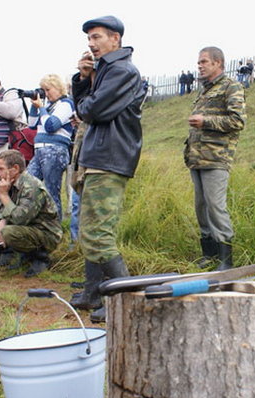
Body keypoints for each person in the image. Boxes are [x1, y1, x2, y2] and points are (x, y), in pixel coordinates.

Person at [71, 15, 145, 322]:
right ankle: (93, 291)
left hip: (110, 158)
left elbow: (92, 111)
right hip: (98, 157)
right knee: (90, 230)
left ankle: (122, 298)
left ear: (115, 39)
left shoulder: (123, 71)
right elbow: (85, 107)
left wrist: (88, 96)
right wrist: (83, 80)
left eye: (97, 37)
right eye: (89, 38)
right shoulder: (106, 71)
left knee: (99, 233)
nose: (91, 43)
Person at [185, 46, 246, 271]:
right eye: (198, 62)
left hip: (217, 158)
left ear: (218, 63)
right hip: (197, 158)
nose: (199, 66)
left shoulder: (232, 86)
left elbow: (237, 121)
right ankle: (208, 256)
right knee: (201, 207)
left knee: (215, 206)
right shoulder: (203, 91)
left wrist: (206, 121)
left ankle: (225, 261)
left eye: (204, 62)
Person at [0, 150, 62, 277]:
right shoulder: (11, 183)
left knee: (8, 232)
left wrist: (3, 195)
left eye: (1, 169)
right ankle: (20, 255)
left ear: (15, 168)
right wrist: (0, 226)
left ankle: (40, 258)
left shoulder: (31, 186)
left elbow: (20, 219)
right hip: (28, 228)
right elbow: (5, 209)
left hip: (45, 233)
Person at [27, 74, 75, 219]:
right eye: (43, 90)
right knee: (28, 184)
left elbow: (50, 125)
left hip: (55, 150)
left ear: (58, 87)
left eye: (48, 90)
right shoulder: (47, 106)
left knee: (51, 191)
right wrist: (34, 106)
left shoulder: (66, 104)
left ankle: (55, 227)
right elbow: (31, 124)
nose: (45, 94)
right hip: (39, 150)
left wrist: (41, 109)